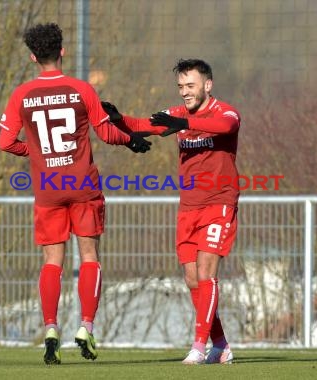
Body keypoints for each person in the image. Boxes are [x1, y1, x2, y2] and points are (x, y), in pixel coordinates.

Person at [0, 22, 151, 366]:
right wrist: (133, 140)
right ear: (62, 51)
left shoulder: (21, 94)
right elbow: (108, 134)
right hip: (83, 184)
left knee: (53, 261)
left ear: (33, 56)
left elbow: (5, 142)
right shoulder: (81, 89)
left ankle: (51, 329)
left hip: (48, 188)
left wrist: (37, 152)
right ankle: (85, 327)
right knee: (89, 256)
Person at [101, 58, 241, 365]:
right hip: (189, 207)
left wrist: (186, 124)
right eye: (181, 86)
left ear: (208, 85)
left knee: (207, 273)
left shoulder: (224, 112)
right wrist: (118, 118)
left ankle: (198, 346)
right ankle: (221, 345)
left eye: (190, 86)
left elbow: (227, 126)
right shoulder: (176, 114)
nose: (185, 92)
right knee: (192, 280)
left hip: (219, 203)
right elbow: (143, 126)